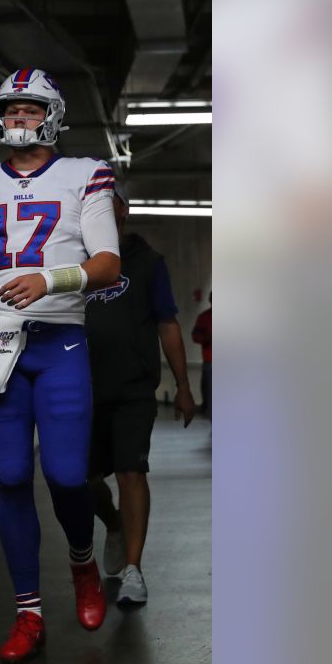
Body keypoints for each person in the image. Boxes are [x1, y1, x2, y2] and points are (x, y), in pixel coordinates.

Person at [0, 68, 121, 664]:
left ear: (52, 114)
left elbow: (106, 263)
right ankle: (28, 612)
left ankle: (82, 561)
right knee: (9, 477)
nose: (19, 119)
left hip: (59, 339)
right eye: (11, 109)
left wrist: (52, 279)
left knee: (63, 474)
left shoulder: (84, 173)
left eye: (30, 109)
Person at [85, 189, 197, 606]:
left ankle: (134, 569)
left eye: (107, 203)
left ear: (123, 211)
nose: (100, 211)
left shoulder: (148, 263)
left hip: (133, 388)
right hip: (82, 389)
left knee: (132, 471)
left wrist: (184, 386)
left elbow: (168, 324)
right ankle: (112, 523)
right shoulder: (74, 259)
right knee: (83, 480)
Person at [192, 293, 212, 419]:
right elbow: (196, 336)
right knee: (209, 392)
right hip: (210, 361)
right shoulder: (204, 317)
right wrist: (207, 338)